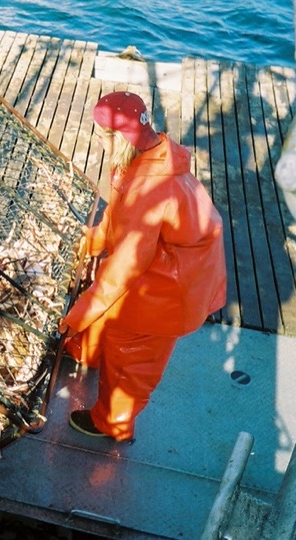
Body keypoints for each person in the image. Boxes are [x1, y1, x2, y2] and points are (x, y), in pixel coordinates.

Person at [58, 91, 227, 442]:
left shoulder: (151, 188)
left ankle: (112, 424)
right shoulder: (149, 156)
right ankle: (87, 353)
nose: (99, 140)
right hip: (170, 260)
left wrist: (74, 315)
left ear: (118, 138)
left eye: (103, 134)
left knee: (131, 355)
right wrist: (96, 239)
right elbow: (118, 212)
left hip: (172, 288)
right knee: (108, 317)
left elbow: (123, 269)